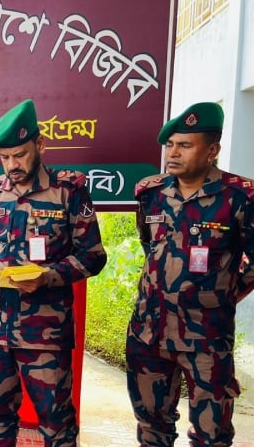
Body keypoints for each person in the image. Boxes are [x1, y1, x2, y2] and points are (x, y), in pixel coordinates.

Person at [0, 99, 107, 447]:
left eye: (20, 155)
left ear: (40, 145)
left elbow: (93, 256)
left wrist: (48, 276)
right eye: (5, 157)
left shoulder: (67, 191)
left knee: (57, 425)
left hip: (46, 335)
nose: (12, 165)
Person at [127, 102, 254, 446]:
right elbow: (150, 248)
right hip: (149, 333)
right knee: (152, 429)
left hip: (207, 339)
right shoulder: (151, 194)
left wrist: (222, 293)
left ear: (212, 150)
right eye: (170, 145)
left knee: (212, 436)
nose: (173, 153)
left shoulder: (239, 197)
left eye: (185, 145)